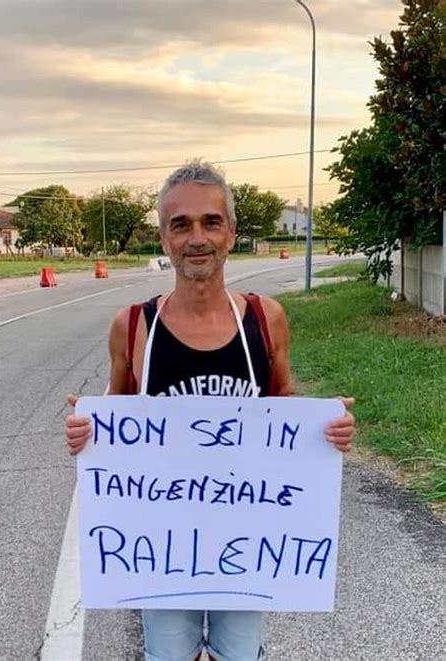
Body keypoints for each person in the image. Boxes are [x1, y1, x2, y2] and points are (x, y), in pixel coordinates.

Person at [66, 159, 356, 661]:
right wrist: (86, 431)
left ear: (231, 233)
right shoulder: (133, 326)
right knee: (168, 656)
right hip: (161, 543)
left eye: (211, 222)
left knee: (241, 655)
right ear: (164, 238)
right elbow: (115, 420)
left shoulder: (266, 319)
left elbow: (282, 404)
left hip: (245, 538)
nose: (196, 237)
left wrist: (326, 431)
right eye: (181, 225)